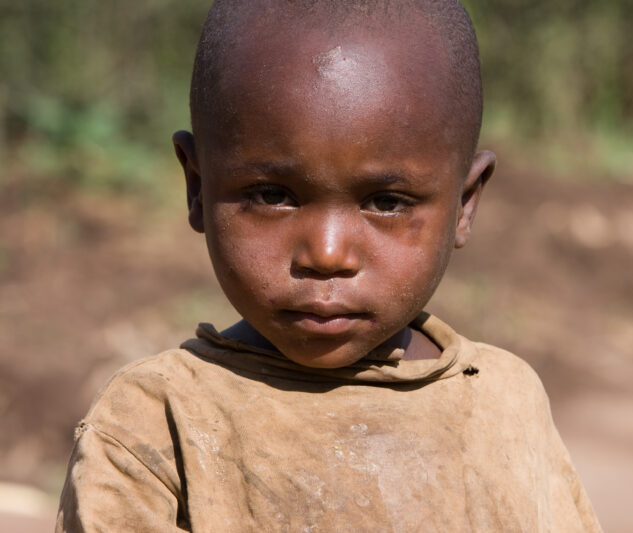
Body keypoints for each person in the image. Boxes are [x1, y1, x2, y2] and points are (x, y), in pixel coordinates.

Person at [57, 1, 603, 531]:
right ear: (198, 187)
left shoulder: (502, 402)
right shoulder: (157, 422)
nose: (327, 254)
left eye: (386, 203)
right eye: (272, 195)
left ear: (464, 205)